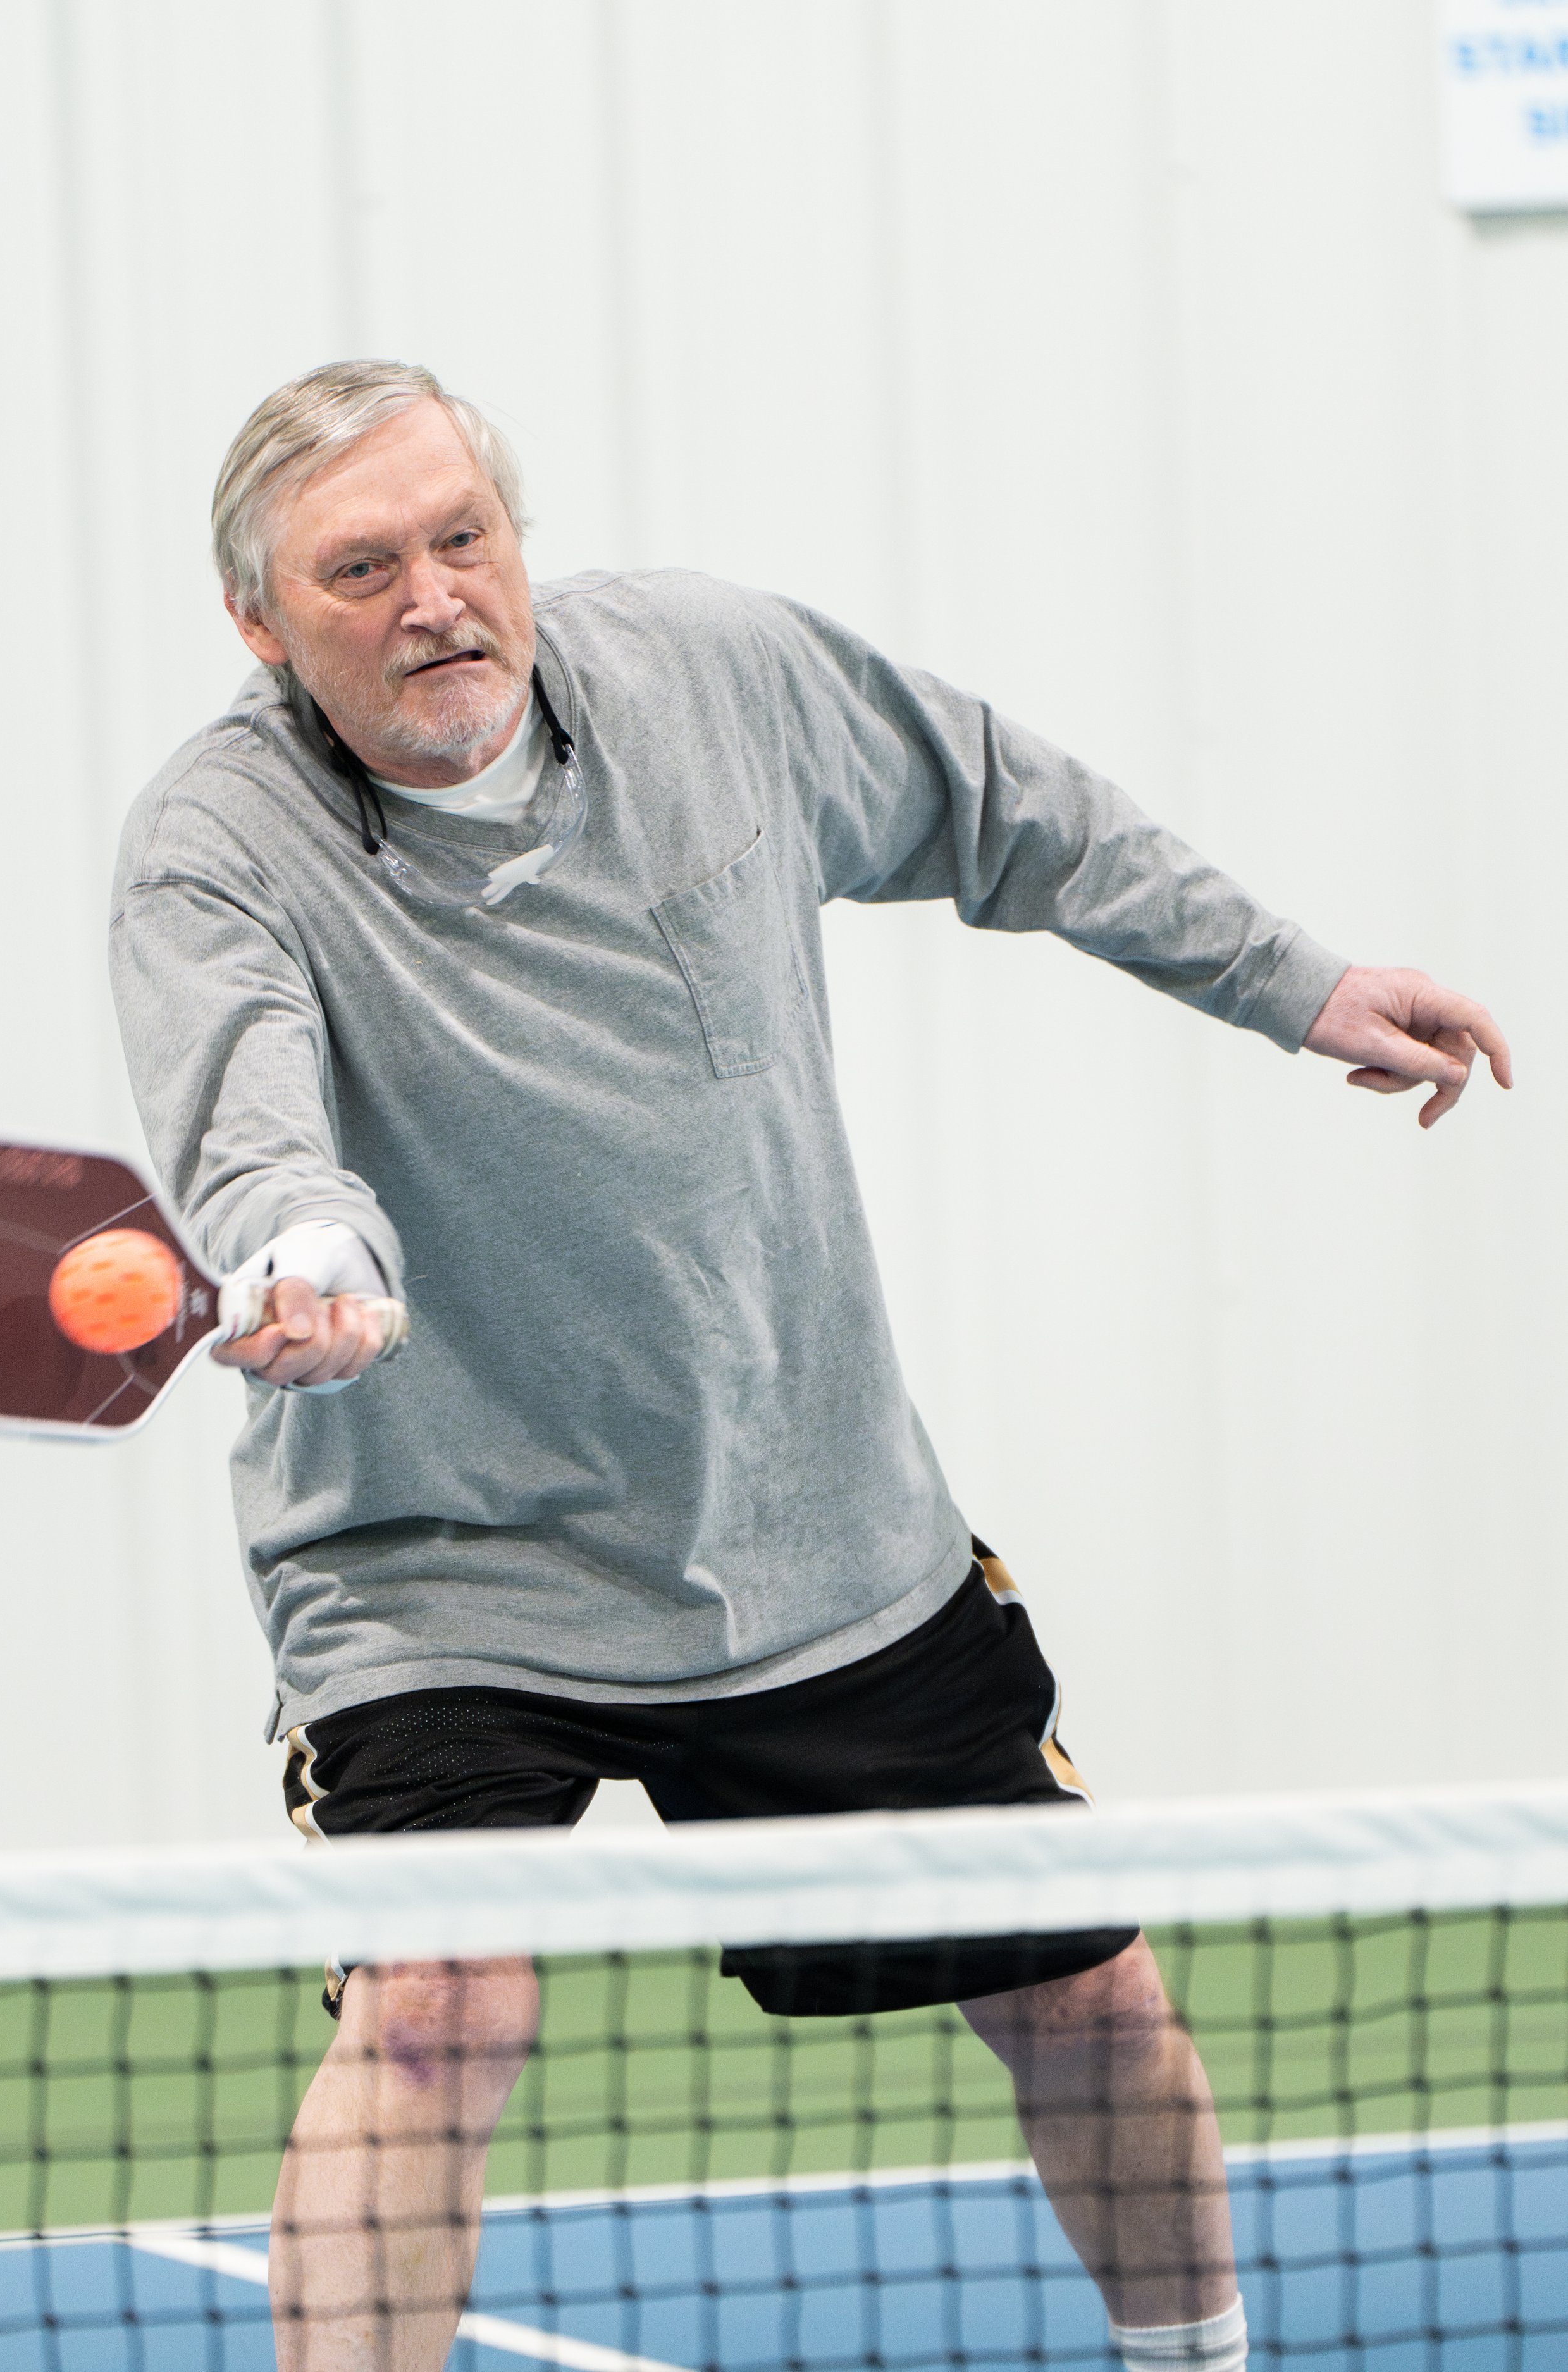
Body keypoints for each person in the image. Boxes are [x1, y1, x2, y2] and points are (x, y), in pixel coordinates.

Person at [110, 361, 1510, 2372]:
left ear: (513, 538)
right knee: (433, 2014)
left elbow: (1009, 808)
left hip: (806, 1520)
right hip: (436, 1559)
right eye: (359, 567)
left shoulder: (713, 675)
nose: (433, 597)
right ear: (260, 617)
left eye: (460, 537)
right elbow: (250, 1115)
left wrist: (1288, 979)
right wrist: (307, 1251)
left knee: (1085, 1995)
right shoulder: (213, 843)